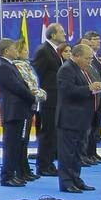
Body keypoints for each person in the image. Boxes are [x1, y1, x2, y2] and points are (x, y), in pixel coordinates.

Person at [57, 43, 101, 194]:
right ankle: (66, 182)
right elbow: (67, 91)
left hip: (82, 118)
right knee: (68, 153)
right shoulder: (66, 69)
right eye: (87, 58)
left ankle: (76, 179)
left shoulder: (82, 69)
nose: (89, 61)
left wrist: (95, 86)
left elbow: (83, 88)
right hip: (69, 119)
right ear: (77, 56)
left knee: (78, 152)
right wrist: (89, 88)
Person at [0, 38, 40, 186]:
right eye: (14, 49)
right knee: (11, 145)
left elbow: (22, 85)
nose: (17, 51)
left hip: (18, 110)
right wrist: (33, 96)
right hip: (13, 111)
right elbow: (17, 87)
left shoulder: (9, 65)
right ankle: (7, 176)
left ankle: (13, 173)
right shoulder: (3, 67)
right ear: (7, 51)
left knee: (16, 145)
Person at [31, 23, 65, 176]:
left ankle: (49, 163)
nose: (64, 34)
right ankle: (43, 165)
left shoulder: (54, 51)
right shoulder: (43, 51)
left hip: (56, 98)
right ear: (53, 35)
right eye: (62, 32)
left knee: (53, 133)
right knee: (48, 132)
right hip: (49, 98)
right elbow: (37, 74)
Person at [80, 31, 101, 165]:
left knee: (95, 127)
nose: (98, 42)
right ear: (87, 41)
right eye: (95, 39)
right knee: (88, 128)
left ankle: (92, 152)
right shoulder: (87, 59)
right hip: (90, 97)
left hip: (98, 97)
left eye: (99, 39)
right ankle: (85, 154)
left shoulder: (96, 58)